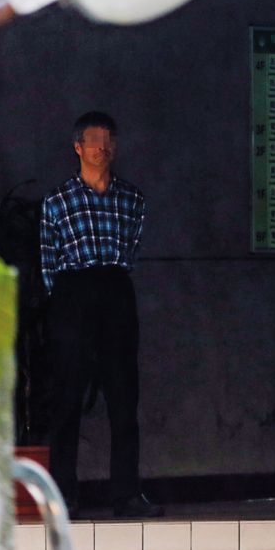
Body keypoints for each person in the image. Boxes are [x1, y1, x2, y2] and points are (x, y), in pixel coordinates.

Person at [39, 111, 163, 518]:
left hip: (115, 289)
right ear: (78, 147)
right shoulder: (58, 200)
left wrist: (109, 285)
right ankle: (63, 495)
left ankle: (126, 494)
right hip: (73, 291)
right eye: (94, 140)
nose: (102, 148)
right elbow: (48, 261)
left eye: (109, 140)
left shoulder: (132, 199)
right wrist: (65, 302)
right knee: (67, 397)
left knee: (124, 394)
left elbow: (133, 249)